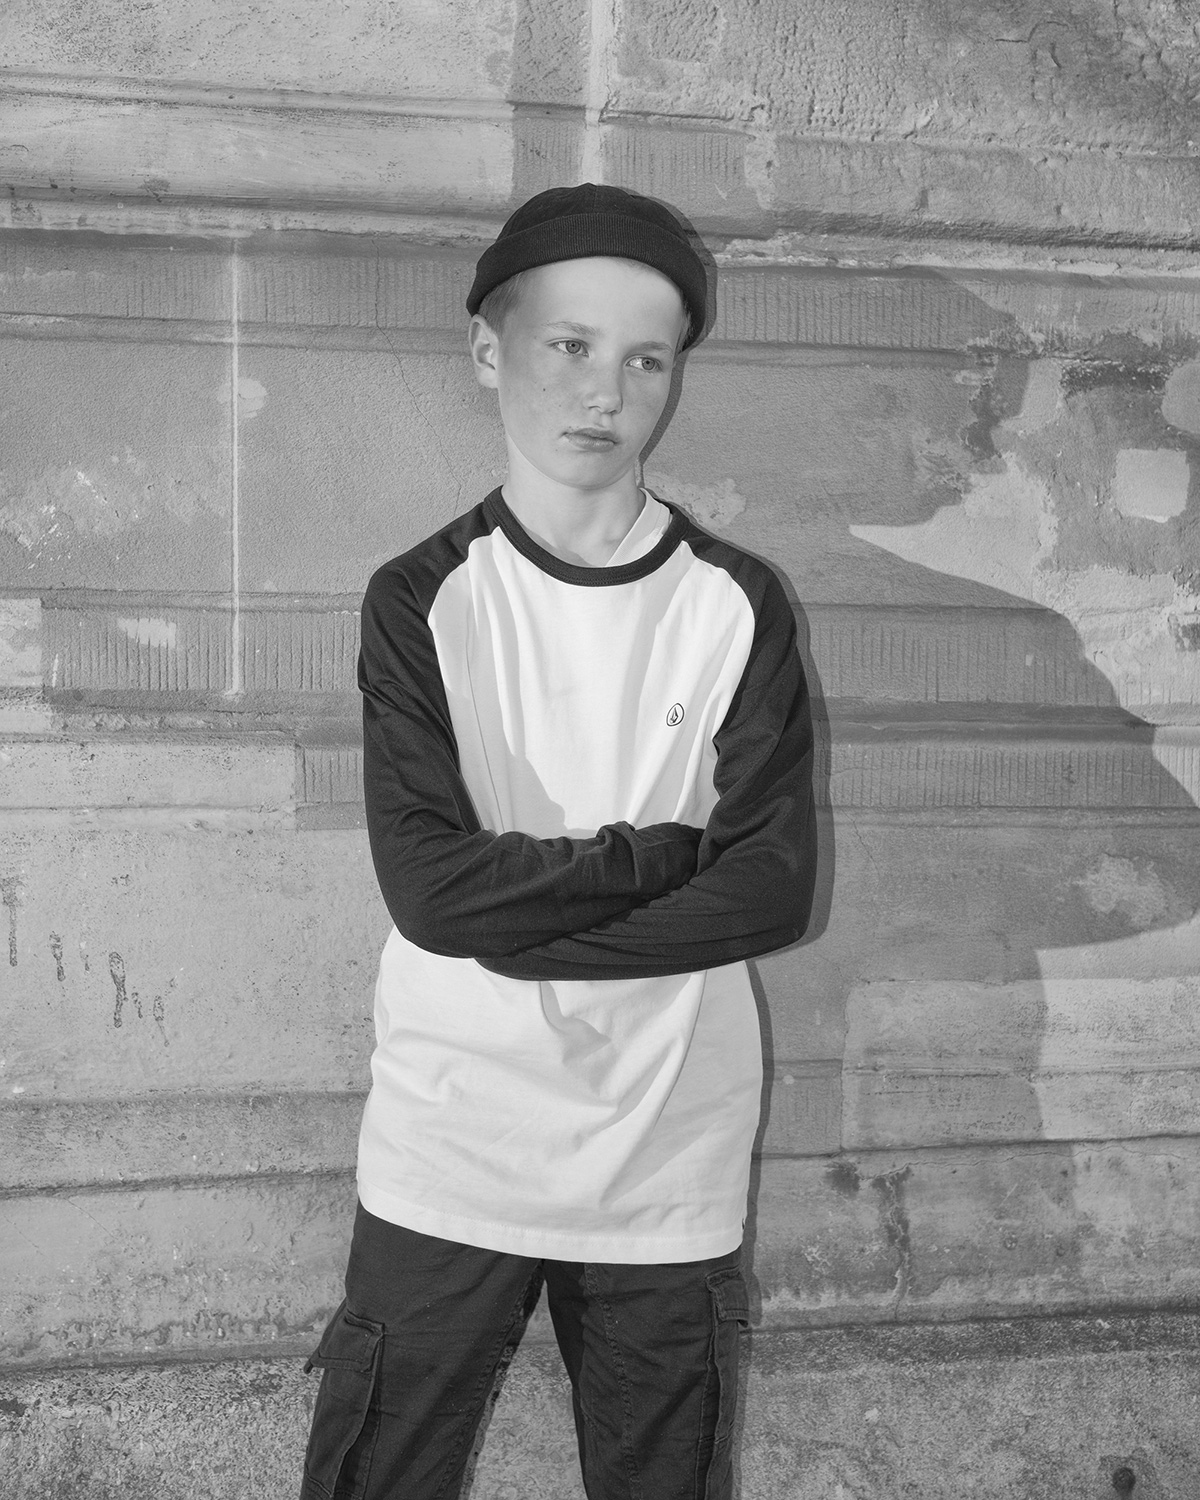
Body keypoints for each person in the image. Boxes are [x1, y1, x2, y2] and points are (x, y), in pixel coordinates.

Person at [299, 182, 818, 1500]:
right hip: (456, 1127)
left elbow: (772, 889)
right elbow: (429, 892)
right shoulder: (423, 598)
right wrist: (660, 855)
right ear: (489, 349)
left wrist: (519, 929)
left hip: (669, 1136)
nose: (607, 391)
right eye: (570, 346)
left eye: (648, 359)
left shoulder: (736, 603)